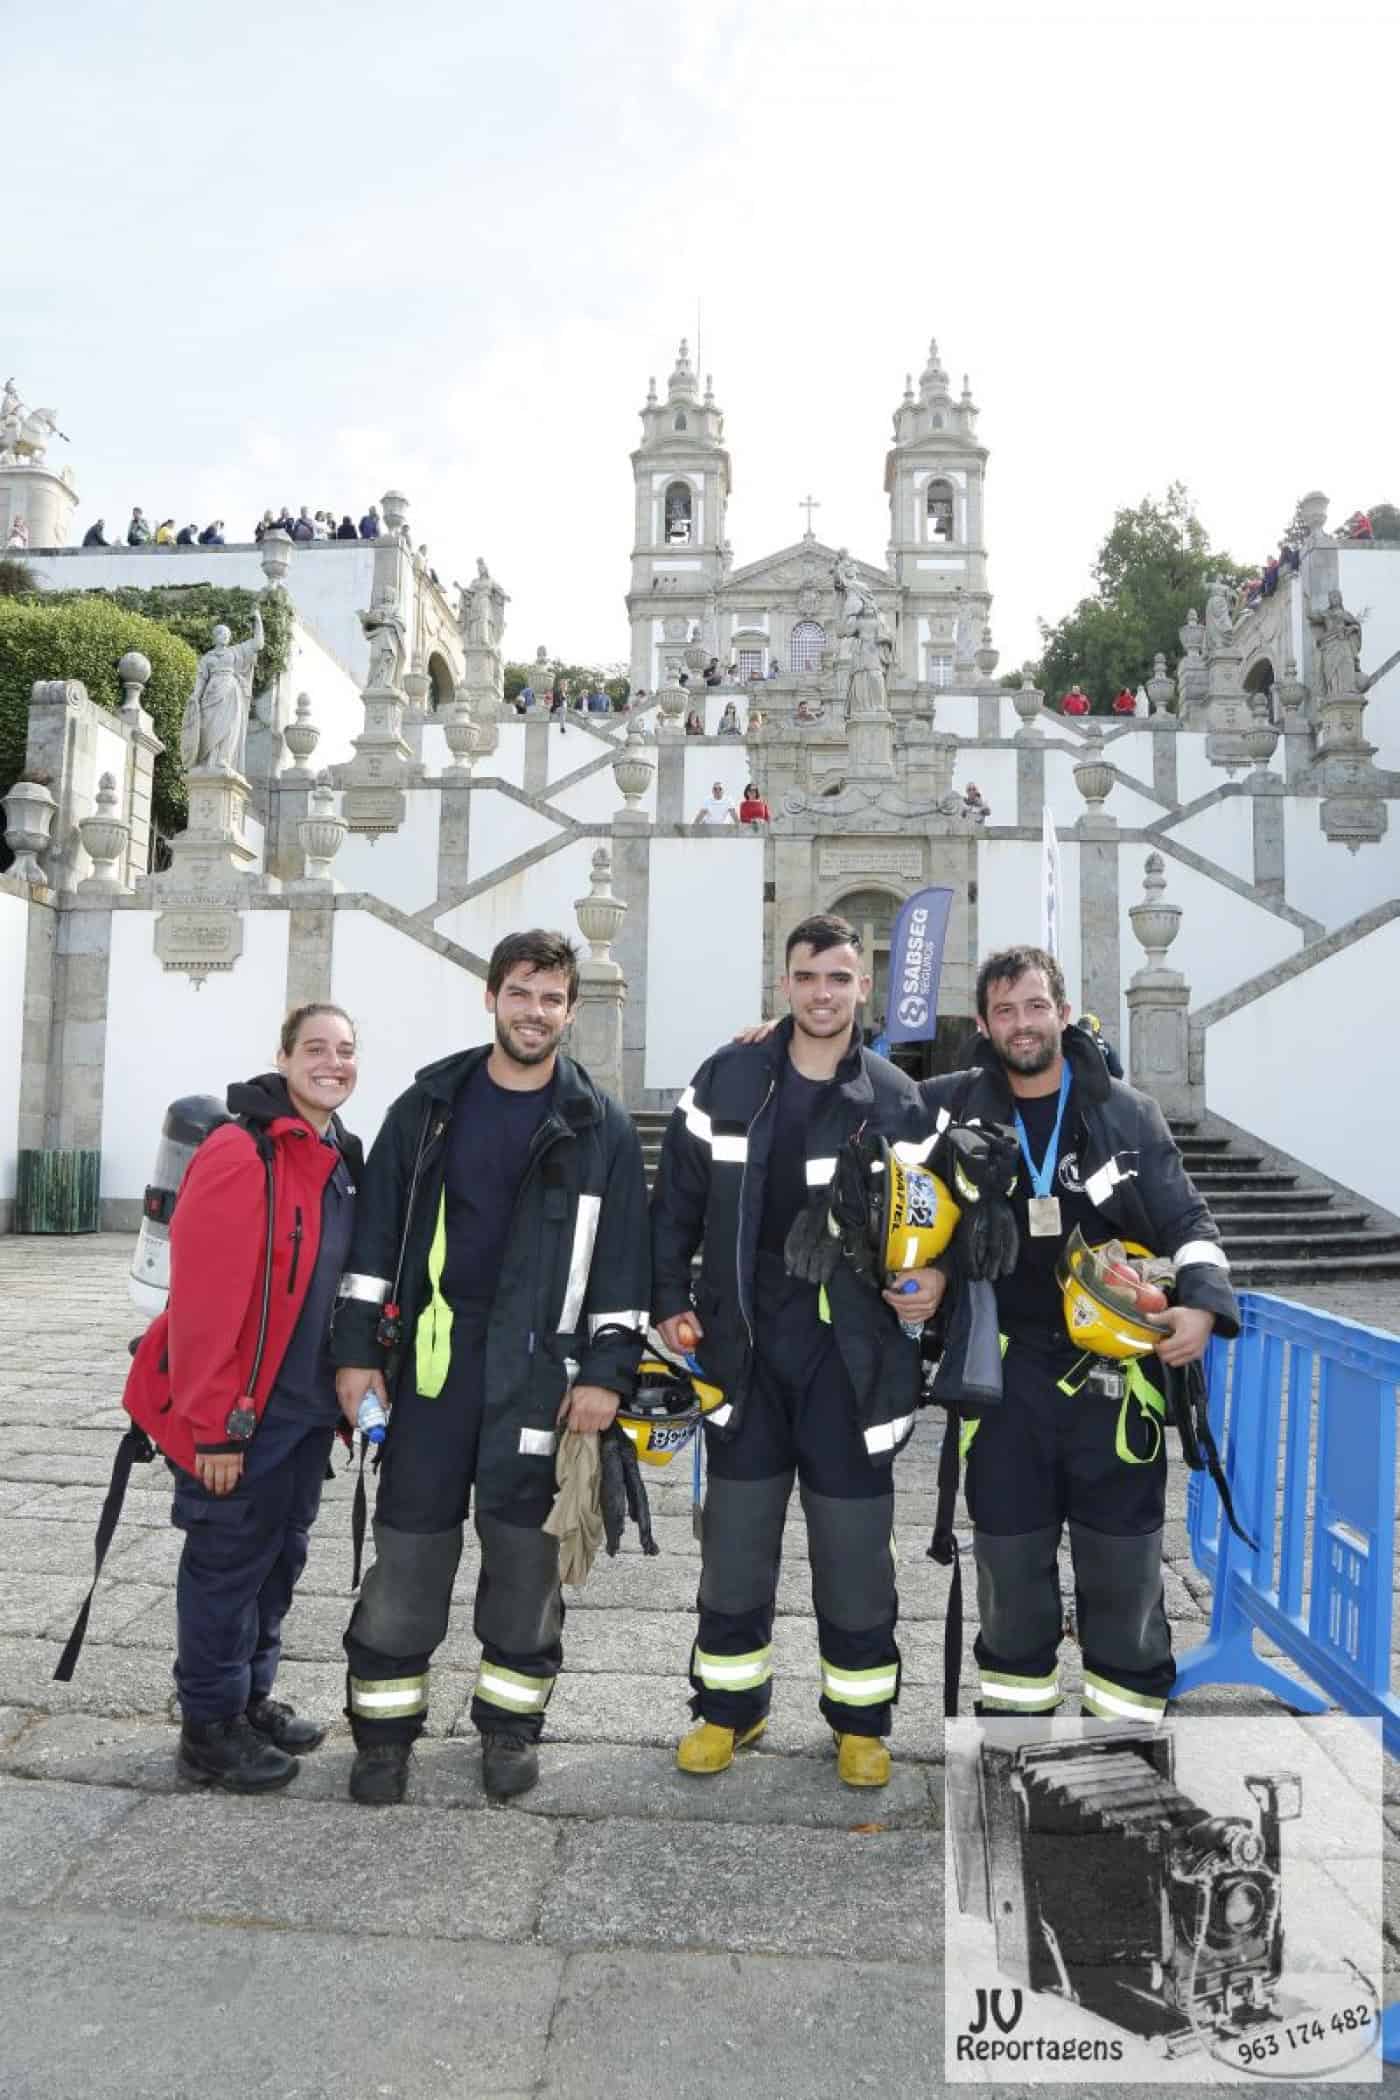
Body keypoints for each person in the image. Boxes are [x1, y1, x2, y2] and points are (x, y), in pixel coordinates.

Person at [335, 930, 649, 1805]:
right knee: (409, 1554)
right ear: (491, 997)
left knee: (525, 1563)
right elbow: (373, 1243)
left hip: (542, 1378)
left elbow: (623, 1267)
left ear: (570, 1012)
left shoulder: (601, 1127)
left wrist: (607, 1372)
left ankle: (510, 1726)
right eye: (519, 993)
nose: (533, 1012)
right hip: (431, 1374)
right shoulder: (429, 1108)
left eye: (551, 999)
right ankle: (384, 1735)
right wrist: (357, 1354)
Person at [916, 946, 1237, 1722]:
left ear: (1063, 1011)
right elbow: (853, 1095)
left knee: (1124, 1568)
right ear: (984, 1025)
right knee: (1008, 1564)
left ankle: (1125, 1732)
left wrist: (1201, 1304)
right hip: (1003, 1379)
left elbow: (1189, 1221)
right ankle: (1013, 1730)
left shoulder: (1126, 1112)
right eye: (1004, 1011)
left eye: (1035, 1006)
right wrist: (932, 1271)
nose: (1022, 1024)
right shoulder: (948, 1108)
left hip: (1113, 1383)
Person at [650, 915, 926, 1787]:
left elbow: (931, 1227)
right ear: (785, 985)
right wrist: (669, 1301)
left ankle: (861, 1723)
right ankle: (729, 1709)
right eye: (807, 977)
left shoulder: (897, 1099)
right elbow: (674, 1205)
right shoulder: (726, 1078)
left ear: (864, 987)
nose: (822, 993)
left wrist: (932, 1281)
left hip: (851, 1360)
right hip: (745, 1348)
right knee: (735, 1543)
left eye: (839, 978)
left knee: (854, 1550)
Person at [120, 1004, 363, 1791]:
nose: (332, 1062)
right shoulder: (240, 1151)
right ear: (283, 1057)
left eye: (346, 1050)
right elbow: (204, 1301)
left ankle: (251, 1698)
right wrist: (214, 1427)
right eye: (315, 1048)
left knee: (278, 1559)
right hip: (239, 1415)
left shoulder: (337, 1154)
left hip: (304, 1412)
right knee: (226, 1565)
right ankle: (209, 1728)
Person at [1076, 1010, 1124, 1080]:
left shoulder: (1072, 1045)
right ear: (1097, 1029)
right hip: (1100, 1084)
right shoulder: (1105, 1046)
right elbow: (1118, 1072)